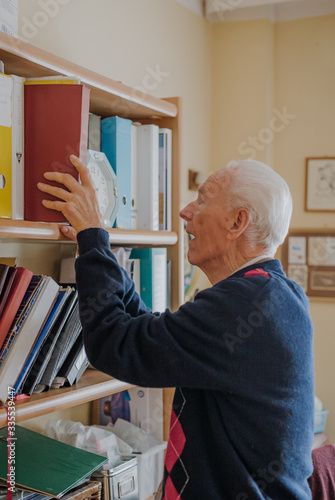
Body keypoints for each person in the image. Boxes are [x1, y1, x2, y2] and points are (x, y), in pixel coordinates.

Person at [38, 157, 314, 500]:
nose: (185, 211)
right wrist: (96, 246)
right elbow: (148, 333)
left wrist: (93, 236)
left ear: (238, 221)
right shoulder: (271, 292)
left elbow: (115, 344)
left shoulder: (245, 303)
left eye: (202, 200)